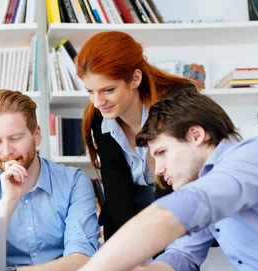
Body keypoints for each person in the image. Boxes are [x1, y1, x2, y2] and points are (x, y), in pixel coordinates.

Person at [0, 91, 258, 271]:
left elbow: (168, 216)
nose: (161, 171)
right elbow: (183, 257)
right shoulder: (209, 181)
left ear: (196, 135)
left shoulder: (253, 158)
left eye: (162, 153)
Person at [0, 89, 100, 271]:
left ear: (36, 136)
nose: (7, 151)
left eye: (16, 138)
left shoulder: (74, 182)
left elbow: (81, 260)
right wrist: (9, 201)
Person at [78, 31, 197, 240]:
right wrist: (129, 253)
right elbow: (116, 189)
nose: (97, 102)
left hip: (177, 208)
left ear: (134, 79)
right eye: (90, 91)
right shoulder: (99, 118)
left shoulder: (178, 104)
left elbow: (183, 181)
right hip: (128, 213)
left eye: (108, 90)